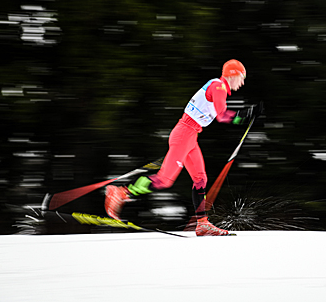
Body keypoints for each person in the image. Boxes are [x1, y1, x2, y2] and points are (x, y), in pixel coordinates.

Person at [104, 59, 260, 236]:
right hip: (185, 134)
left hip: (190, 136)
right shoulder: (219, 87)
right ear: (233, 74)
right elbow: (222, 116)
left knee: (200, 179)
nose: (242, 82)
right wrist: (245, 116)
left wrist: (245, 115)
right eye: (242, 77)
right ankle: (122, 193)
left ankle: (202, 224)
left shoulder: (217, 87)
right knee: (164, 180)